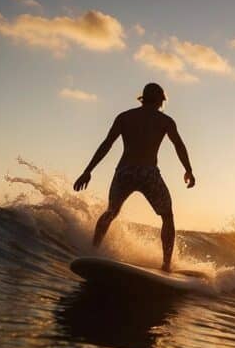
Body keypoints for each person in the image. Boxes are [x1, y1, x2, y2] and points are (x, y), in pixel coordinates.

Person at [73, 83, 195, 272]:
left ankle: (93, 251)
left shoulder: (125, 117)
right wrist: (188, 170)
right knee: (167, 216)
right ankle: (166, 265)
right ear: (161, 99)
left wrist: (88, 170)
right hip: (148, 173)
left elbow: (106, 144)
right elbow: (179, 145)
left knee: (111, 212)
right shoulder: (165, 121)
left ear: (143, 98)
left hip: (125, 171)